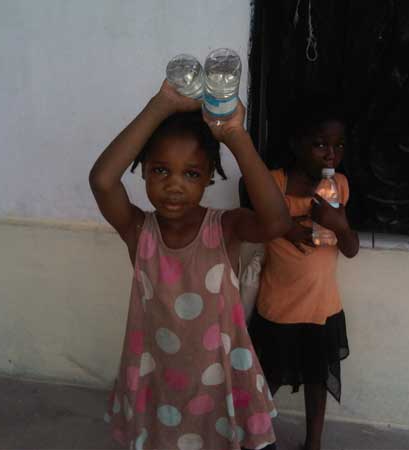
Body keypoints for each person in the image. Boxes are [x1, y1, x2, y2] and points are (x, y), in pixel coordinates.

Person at [89, 80, 291, 450]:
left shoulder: (226, 228)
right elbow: (102, 181)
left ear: (210, 176)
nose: (174, 186)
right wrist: (158, 107)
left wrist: (235, 135)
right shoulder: (139, 231)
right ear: (144, 171)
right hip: (159, 385)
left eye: (191, 173)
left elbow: (277, 222)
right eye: (161, 171)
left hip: (225, 383)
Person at [249, 101, 359, 450]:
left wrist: (339, 224)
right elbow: (254, 225)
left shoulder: (339, 185)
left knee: (317, 379)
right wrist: (288, 229)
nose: (331, 154)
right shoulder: (274, 183)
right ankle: (253, 436)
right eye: (321, 144)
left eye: (339, 145)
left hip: (321, 307)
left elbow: (351, 248)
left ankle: (313, 443)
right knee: (268, 377)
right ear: (297, 144)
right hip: (279, 305)